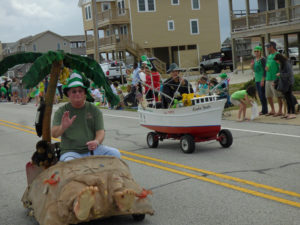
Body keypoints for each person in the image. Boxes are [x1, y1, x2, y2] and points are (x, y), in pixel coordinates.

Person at [51, 72, 121, 161]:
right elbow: (54, 134)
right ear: (68, 94)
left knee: (115, 154)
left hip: (93, 150)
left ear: (84, 93)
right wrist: (63, 127)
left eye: (80, 91)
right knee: (70, 162)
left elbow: (100, 132)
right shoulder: (61, 111)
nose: (77, 94)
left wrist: (96, 142)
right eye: (74, 91)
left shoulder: (94, 110)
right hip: (71, 152)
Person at [274, 53, 296, 119]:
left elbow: (289, 74)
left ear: (279, 59)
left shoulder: (287, 64)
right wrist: (276, 81)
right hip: (284, 83)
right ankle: (289, 112)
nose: (277, 62)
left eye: (277, 60)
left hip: (289, 83)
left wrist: (280, 74)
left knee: (289, 98)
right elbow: (281, 74)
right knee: (286, 98)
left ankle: (293, 113)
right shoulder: (281, 64)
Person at [265, 41, 283, 116]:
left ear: (272, 46)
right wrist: (266, 68)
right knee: (268, 95)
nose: (267, 48)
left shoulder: (278, 55)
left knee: (278, 95)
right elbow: (268, 65)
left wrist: (279, 77)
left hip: (275, 78)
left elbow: (281, 67)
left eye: (268, 46)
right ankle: (272, 110)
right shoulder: (269, 56)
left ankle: (280, 111)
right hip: (268, 78)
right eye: (267, 47)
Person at [251, 46, 268, 115]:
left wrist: (263, 79)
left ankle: (265, 110)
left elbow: (265, 70)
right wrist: (252, 66)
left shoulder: (263, 59)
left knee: (262, 95)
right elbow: (254, 70)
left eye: (257, 51)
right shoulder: (255, 60)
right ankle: (263, 109)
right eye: (255, 51)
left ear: (260, 51)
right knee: (260, 95)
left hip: (262, 79)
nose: (256, 53)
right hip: (257, 79)